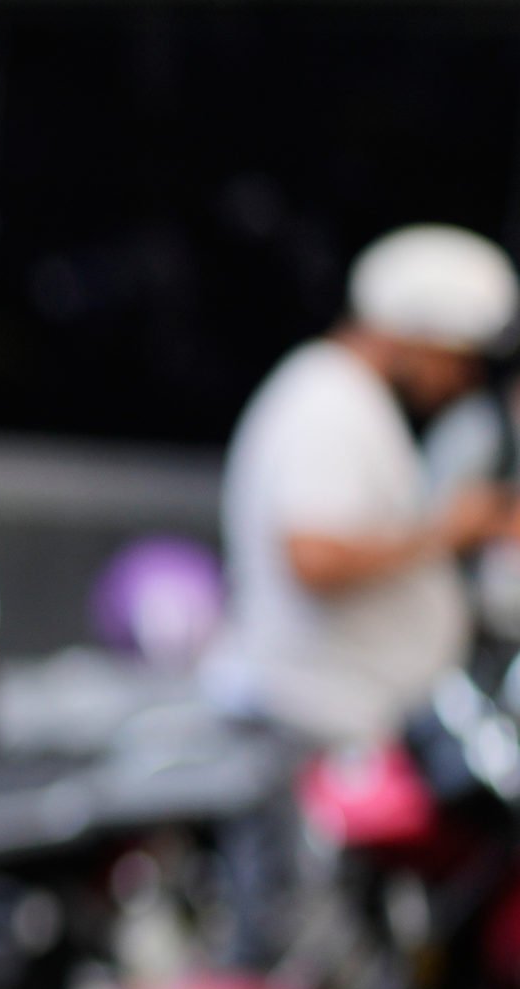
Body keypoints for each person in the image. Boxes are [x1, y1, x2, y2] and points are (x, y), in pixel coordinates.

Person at [208, 223, 520, 747]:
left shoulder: (346, 395)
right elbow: (312, 556)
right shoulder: (329, 400)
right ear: (416, 334)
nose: (462, 380)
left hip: (343, 723)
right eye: (458, 358)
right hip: (312, 725)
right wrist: (447, 531)